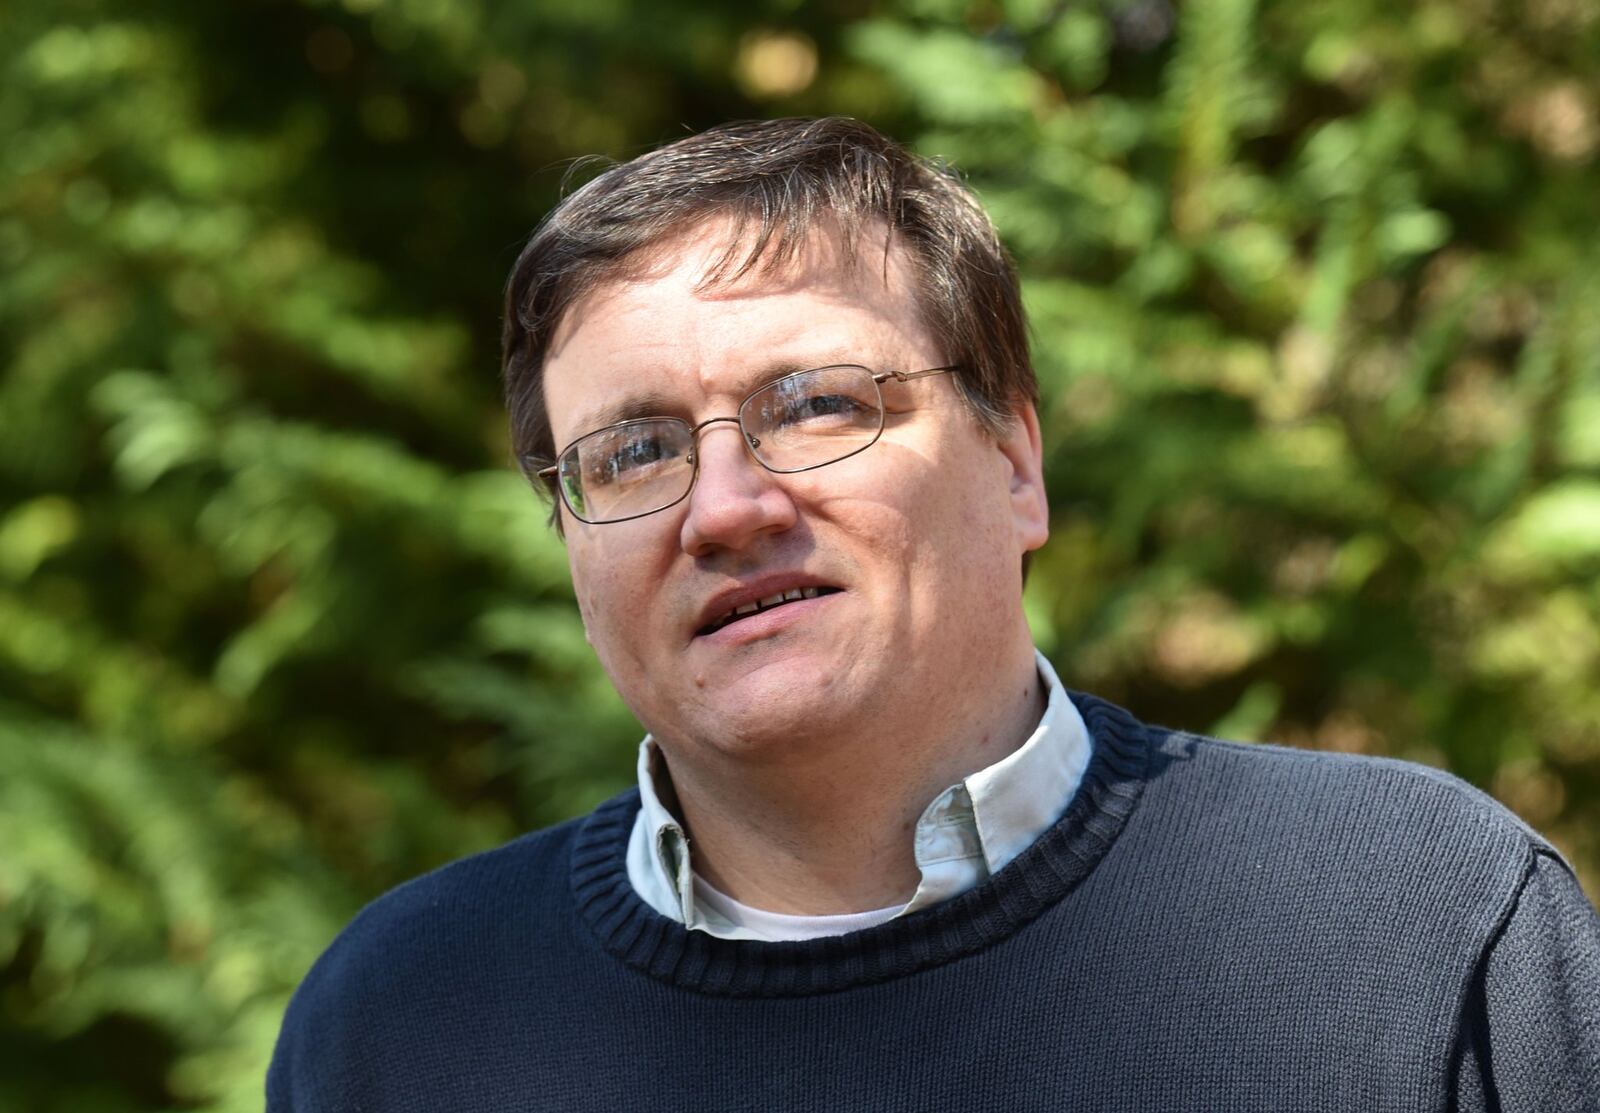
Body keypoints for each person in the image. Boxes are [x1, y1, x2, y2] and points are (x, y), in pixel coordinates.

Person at [267, 117, 1600, 1112]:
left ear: (1015, 464)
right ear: (569, 536)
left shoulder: (1414, 919)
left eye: (815, 405)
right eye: (632, 452)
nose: (723, 507)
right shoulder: (404, 1025)